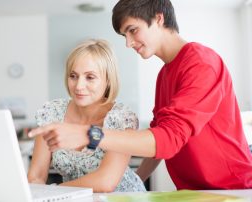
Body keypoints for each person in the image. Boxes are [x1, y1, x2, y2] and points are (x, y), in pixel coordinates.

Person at [29, 0, 252, 190]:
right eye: (124, 35)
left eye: (133, 30)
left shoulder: (202, 64)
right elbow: (157, 135)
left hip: (233, 187)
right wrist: (137, 180)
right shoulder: (165, 74)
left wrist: (90, 135)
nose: (128, 43)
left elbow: (168, 139)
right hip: (194, 190)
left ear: (159, 18)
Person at [27, 39, 146, 192]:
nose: (78, 86)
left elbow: (105, 182)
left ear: (108, 80)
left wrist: (53, 192)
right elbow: (36, 175)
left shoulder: (122, 119)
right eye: (73, 76)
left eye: (90, 77)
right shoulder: (51, 113)